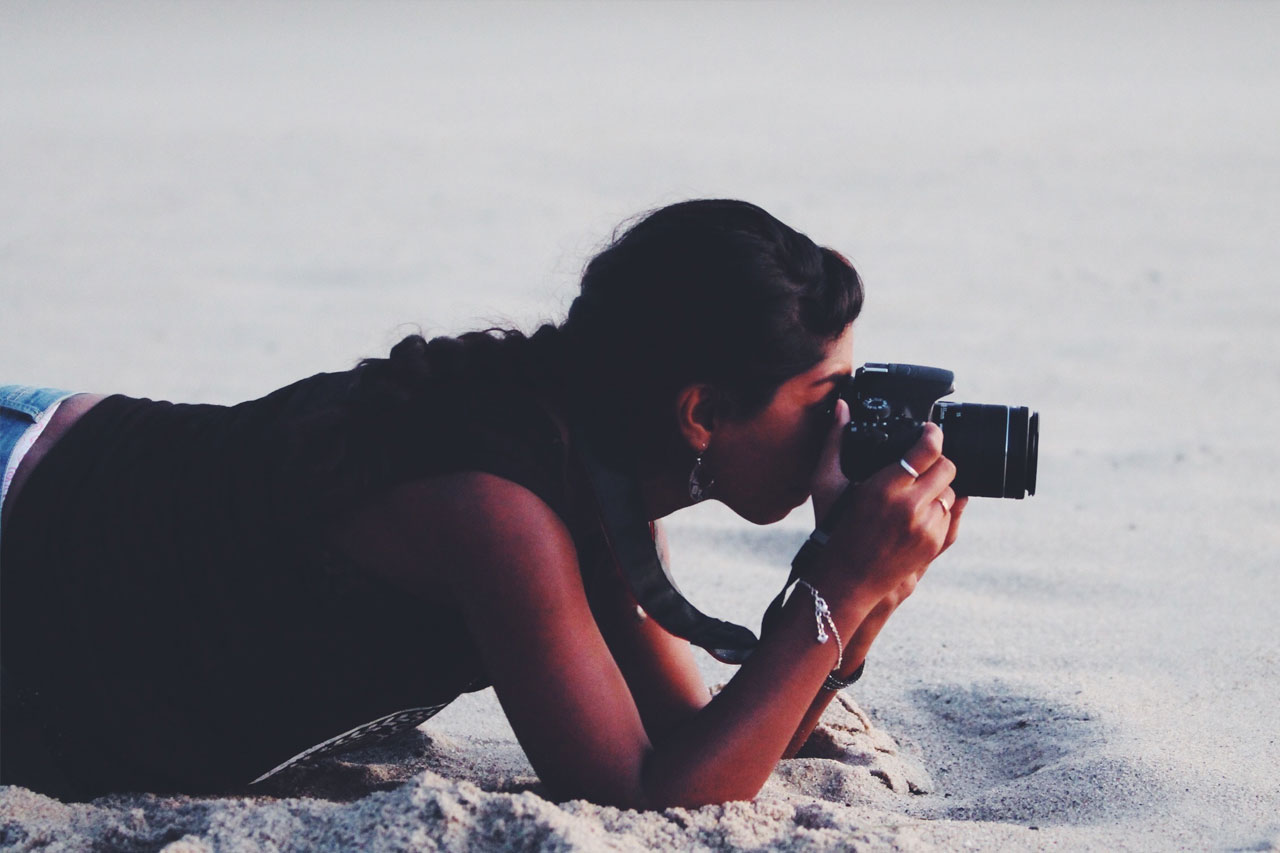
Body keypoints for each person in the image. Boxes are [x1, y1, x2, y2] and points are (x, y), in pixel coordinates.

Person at [0, 199, 965, 807]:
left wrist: (868, 584)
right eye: (823, 396)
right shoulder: (500, 510)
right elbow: (643, 788)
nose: (849, 423)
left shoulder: (590, 453)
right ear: (703, 411)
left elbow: (703, 740)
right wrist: (837, 582)